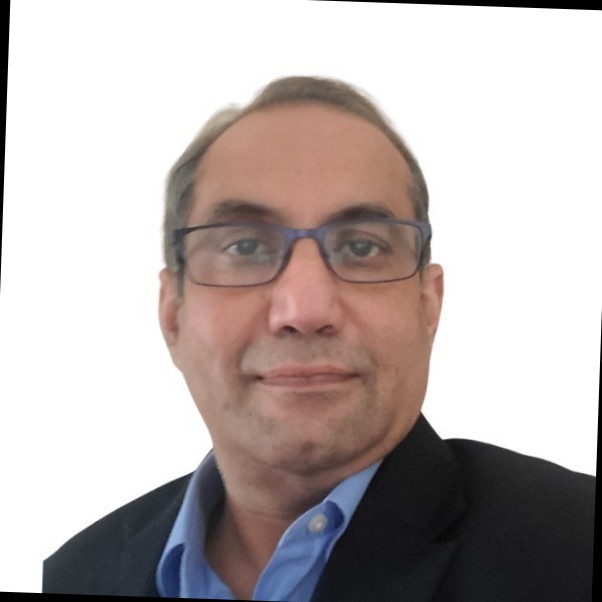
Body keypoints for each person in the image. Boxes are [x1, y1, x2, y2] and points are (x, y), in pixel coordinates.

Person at [43, 76, 594, 601]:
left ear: (429, 303)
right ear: (172, 316)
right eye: (244, 248)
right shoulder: (71, 574)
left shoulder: (576, 549)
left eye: (361, 247)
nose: (305, 311)